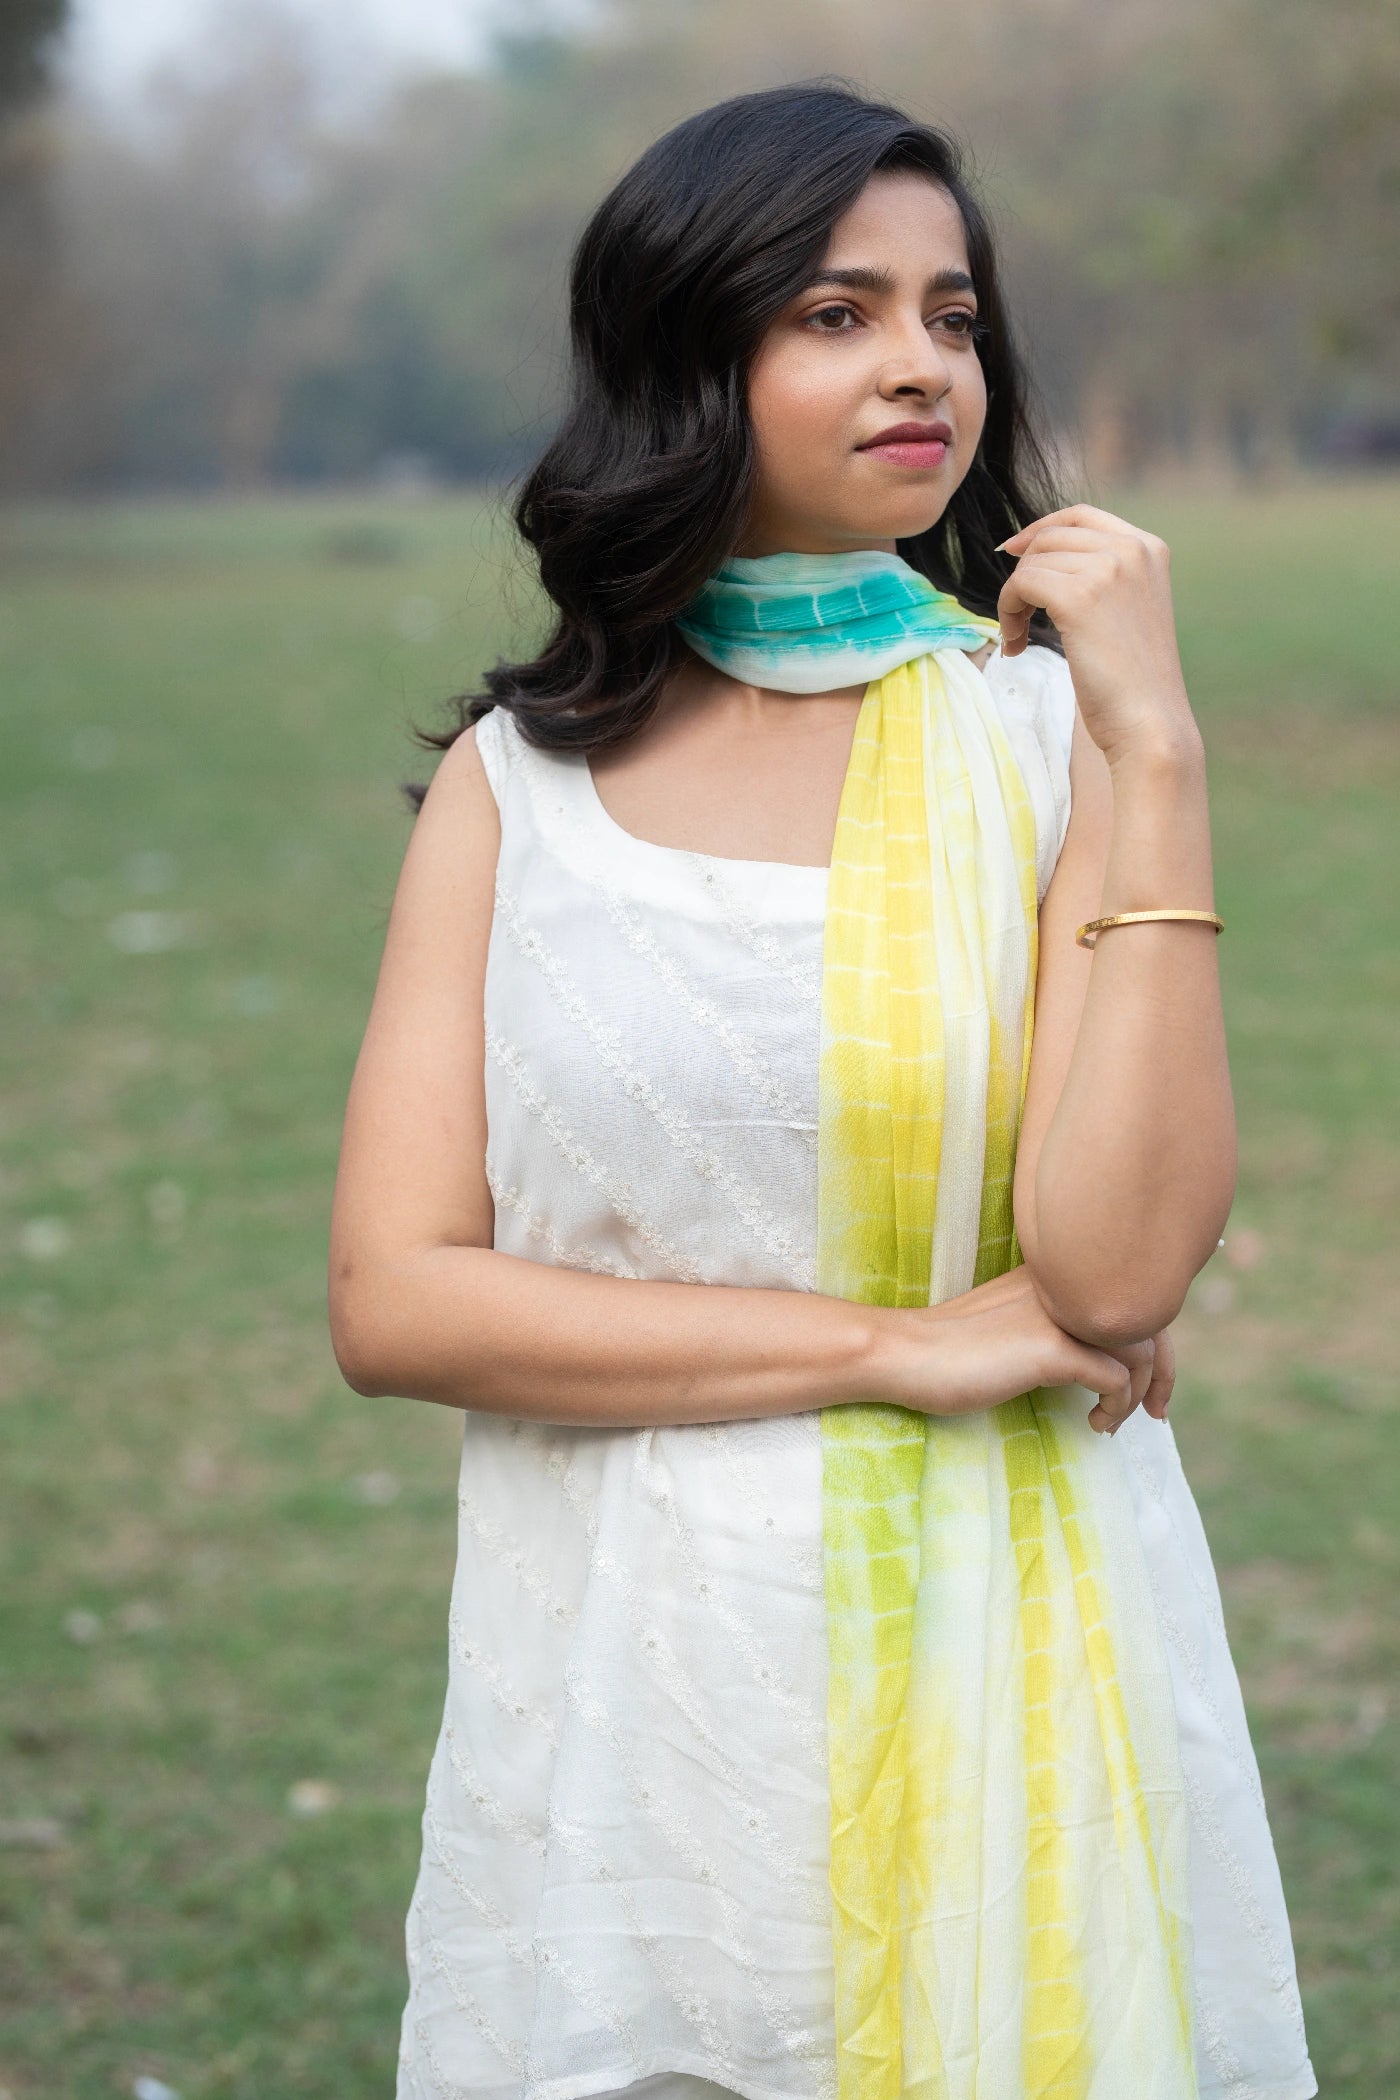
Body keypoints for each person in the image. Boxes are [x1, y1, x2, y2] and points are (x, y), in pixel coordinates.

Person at [327, 80, 1317, 2100]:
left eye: (951, 315)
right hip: (640, 1673)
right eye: (834, 311)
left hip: (1015, 1651)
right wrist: (890, 1345)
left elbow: (1113, 1271)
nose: (918, 367)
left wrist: (1162, 756)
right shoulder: (526, 792)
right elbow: (398, 1299)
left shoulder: (1048, 743)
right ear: (691, 354)